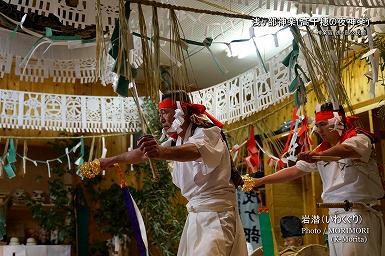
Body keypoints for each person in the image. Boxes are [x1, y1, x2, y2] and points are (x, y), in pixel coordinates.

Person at [99, 90, 248, 256]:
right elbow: (142, 154)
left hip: (217, 216)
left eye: (165, 112)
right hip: (196, 217)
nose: (161, 118)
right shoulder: (177, 141)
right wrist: (109, 160)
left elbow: (195, 150)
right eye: (160, 113)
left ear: (181, 110)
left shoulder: (208, 132)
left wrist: (160, 152)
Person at [251, 102, 385, 256]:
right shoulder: (321, 150)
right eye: (317, 125)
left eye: (323, 124)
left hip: (357, 214)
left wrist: (318, 157)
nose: (319, 130)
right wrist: (261, 181)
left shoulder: (359, 139)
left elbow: (347, 150)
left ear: (337, 121)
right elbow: (294, 171)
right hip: (335, 217)